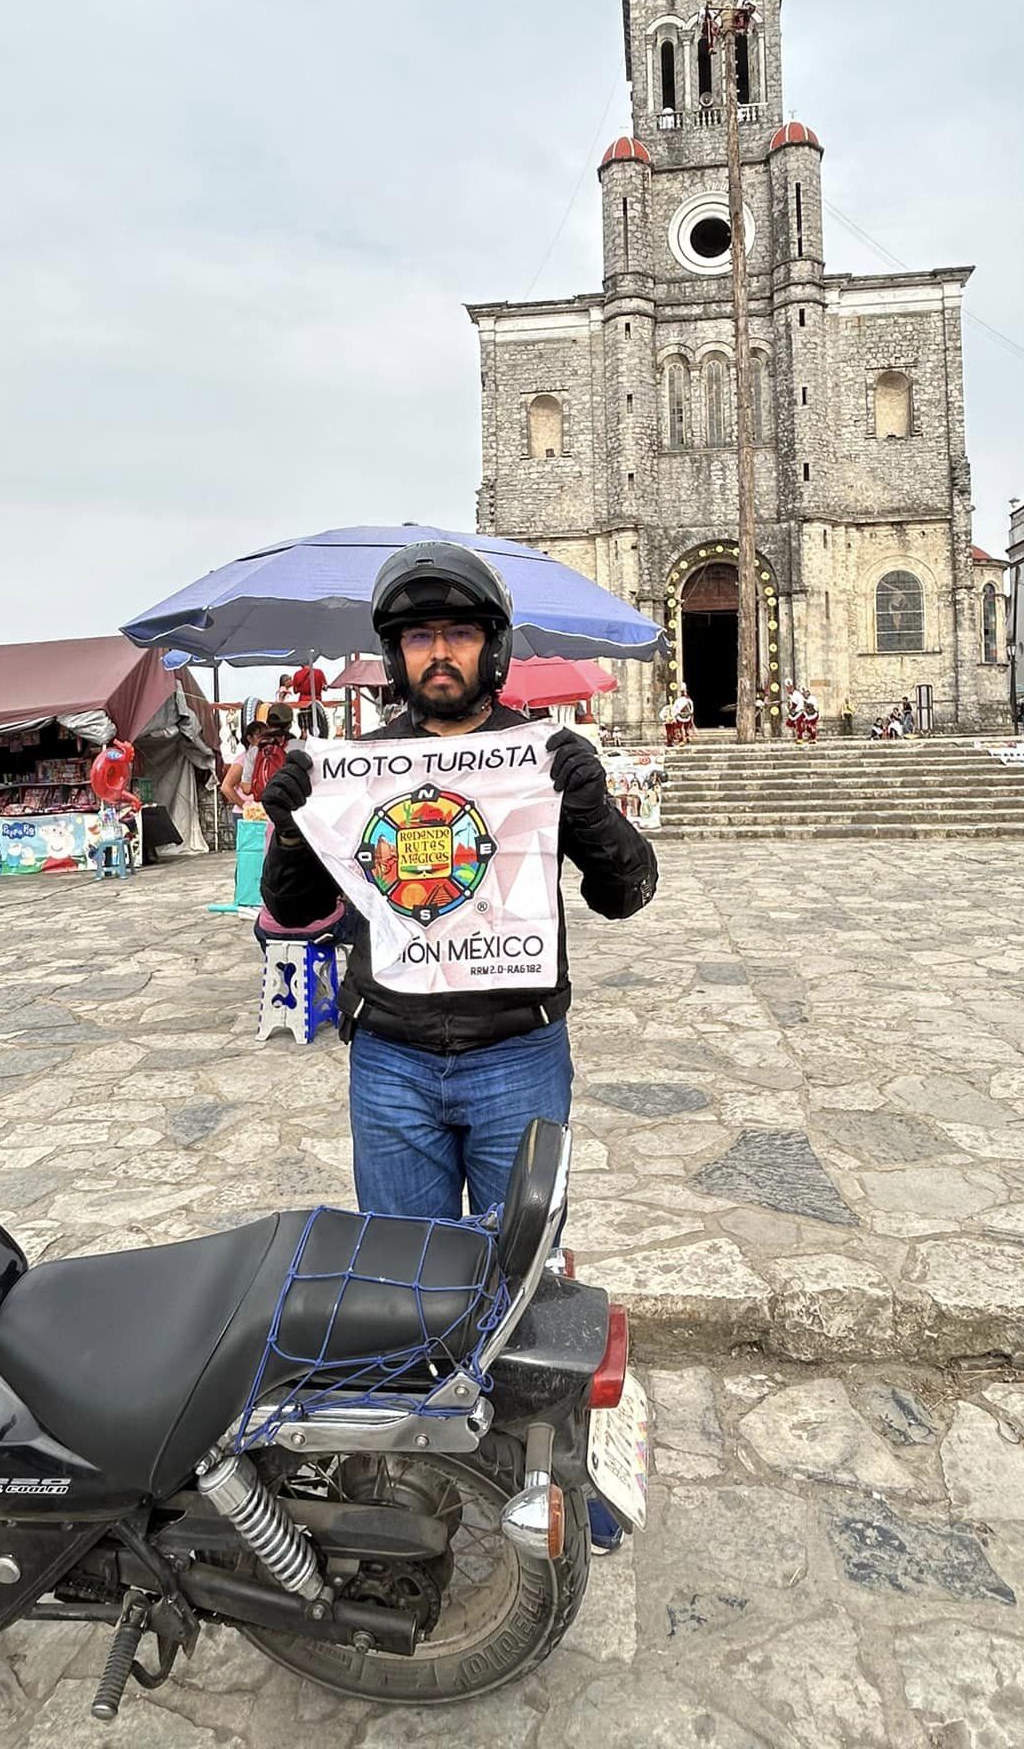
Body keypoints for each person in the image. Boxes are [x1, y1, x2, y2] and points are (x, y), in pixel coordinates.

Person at [260, 544, 656, 1553]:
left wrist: (594, 804)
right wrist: (292, 819)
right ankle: (424, 1473)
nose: (441, 653)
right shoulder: (358, 769)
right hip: (390, 1059)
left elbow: (625, 893)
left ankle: (557, 1458)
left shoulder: (541, 754)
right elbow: (292, 908)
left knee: (532, 1277)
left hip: (517, 1051)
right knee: (405, 1283)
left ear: (493, 648)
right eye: (420, 637)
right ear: (396, 656)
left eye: (460, 633)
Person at [292, 660, 330, 739]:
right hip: (316, 700)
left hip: (303, 701)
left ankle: (304, 734)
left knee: (305, 723)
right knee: (318, 722)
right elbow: (325, 687)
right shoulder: (319, 672)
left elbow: (295, 691)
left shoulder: (297, 674)